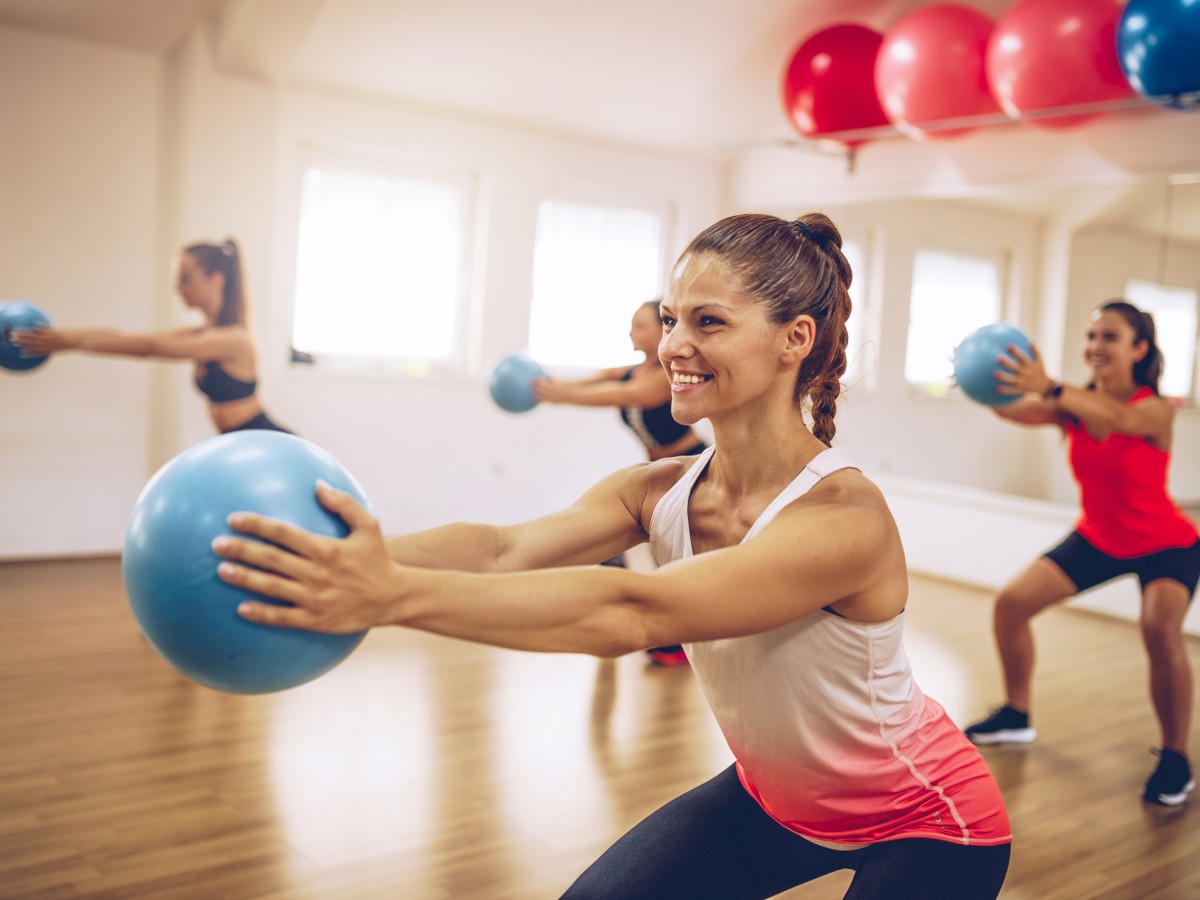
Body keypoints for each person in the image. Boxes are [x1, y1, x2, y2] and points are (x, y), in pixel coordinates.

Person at [213, 213, 1012, 898]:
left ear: (793, 340)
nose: (673, 346)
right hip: (776, 798)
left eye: (708, 322)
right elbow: (501, 548)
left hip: (925, 819)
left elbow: (634, 611)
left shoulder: (843, 518)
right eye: (670, 319)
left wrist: (389, 597)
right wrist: (340, 556)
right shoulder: (658, 489)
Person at [963, 300, 1198, 808]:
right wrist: (979, 375)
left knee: (1159, 630)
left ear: (1139, 349)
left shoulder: (1153, 408)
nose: (1095, 347)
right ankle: (1016, 715)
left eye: (1109, 337)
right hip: (1098, 537)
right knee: (1011, 604)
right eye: (1092, 336)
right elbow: (1012, 408)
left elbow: (1116, 418)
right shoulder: (1070, 404)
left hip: (1166, 544)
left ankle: (1176, 757)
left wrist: (1049, 385)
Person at [532, 299, 708, 667]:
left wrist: (563, 398)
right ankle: (613, 622)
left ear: (662, 332)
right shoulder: (630, 371)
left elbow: (627, 397)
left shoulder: (666, 377)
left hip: (690, 468)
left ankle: (676, 640)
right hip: (657, 472)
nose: (632, 332)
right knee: (610, 544)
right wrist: (548, 385)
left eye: (640, 326)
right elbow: (602, 379)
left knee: (674, 555)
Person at [11, 238, 290, 434]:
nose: (177, 287)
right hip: (237, 442)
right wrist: (61, 337)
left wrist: (66, 342)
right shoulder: (201, 333)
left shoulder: (233, 339)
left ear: (216, 279)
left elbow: (147, 347)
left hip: (263, 439)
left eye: (185, 278)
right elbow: (131, 338)